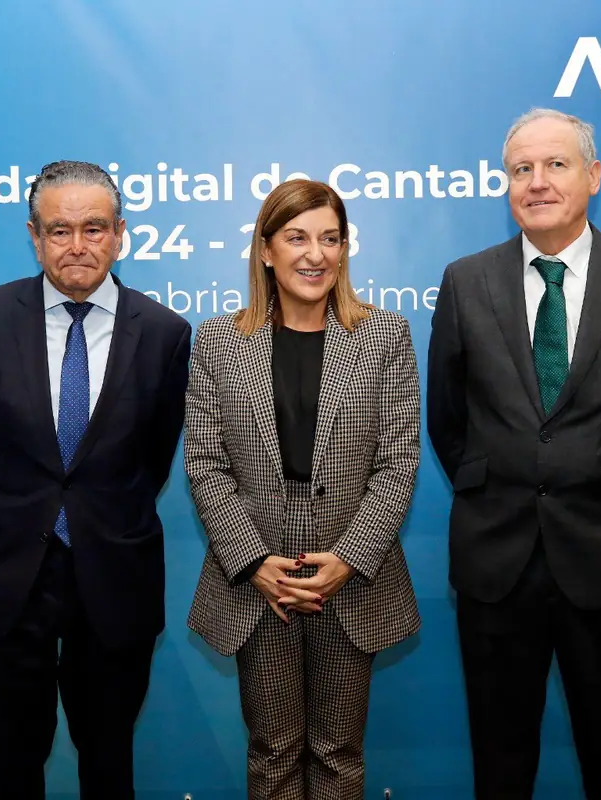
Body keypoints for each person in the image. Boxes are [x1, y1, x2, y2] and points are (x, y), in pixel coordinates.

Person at [427, 108, 601, 799]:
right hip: (497, 563)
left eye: (555, 165)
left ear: (593, 176)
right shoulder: (465, 282)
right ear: (506, 183)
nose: (537, 182)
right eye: (522, 169)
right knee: (501, 763)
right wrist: (502, 488)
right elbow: (448, 420)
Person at [0, 160, 191, 799]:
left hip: (115, 573)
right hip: (6, 575)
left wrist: (94, 511)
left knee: (108, 763)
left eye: (93, 228)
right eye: (59, 230)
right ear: (33, 235)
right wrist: (27, 508)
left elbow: (155, 455)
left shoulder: (165, 332)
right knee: (12, 764)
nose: (77, 246)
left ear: (120, 233)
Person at [184, 178, 422, 799]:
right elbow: (205, 463)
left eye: (330, 238)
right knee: (273, 752)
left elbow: (398, 462)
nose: (315, 254)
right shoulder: (217, 341)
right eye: (297, 237)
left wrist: (349, 559)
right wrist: (252, 562)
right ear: (266, 250)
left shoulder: (384, 337)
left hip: (351, 570)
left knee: (339, 752)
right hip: (258, 574)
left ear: (344, 251)